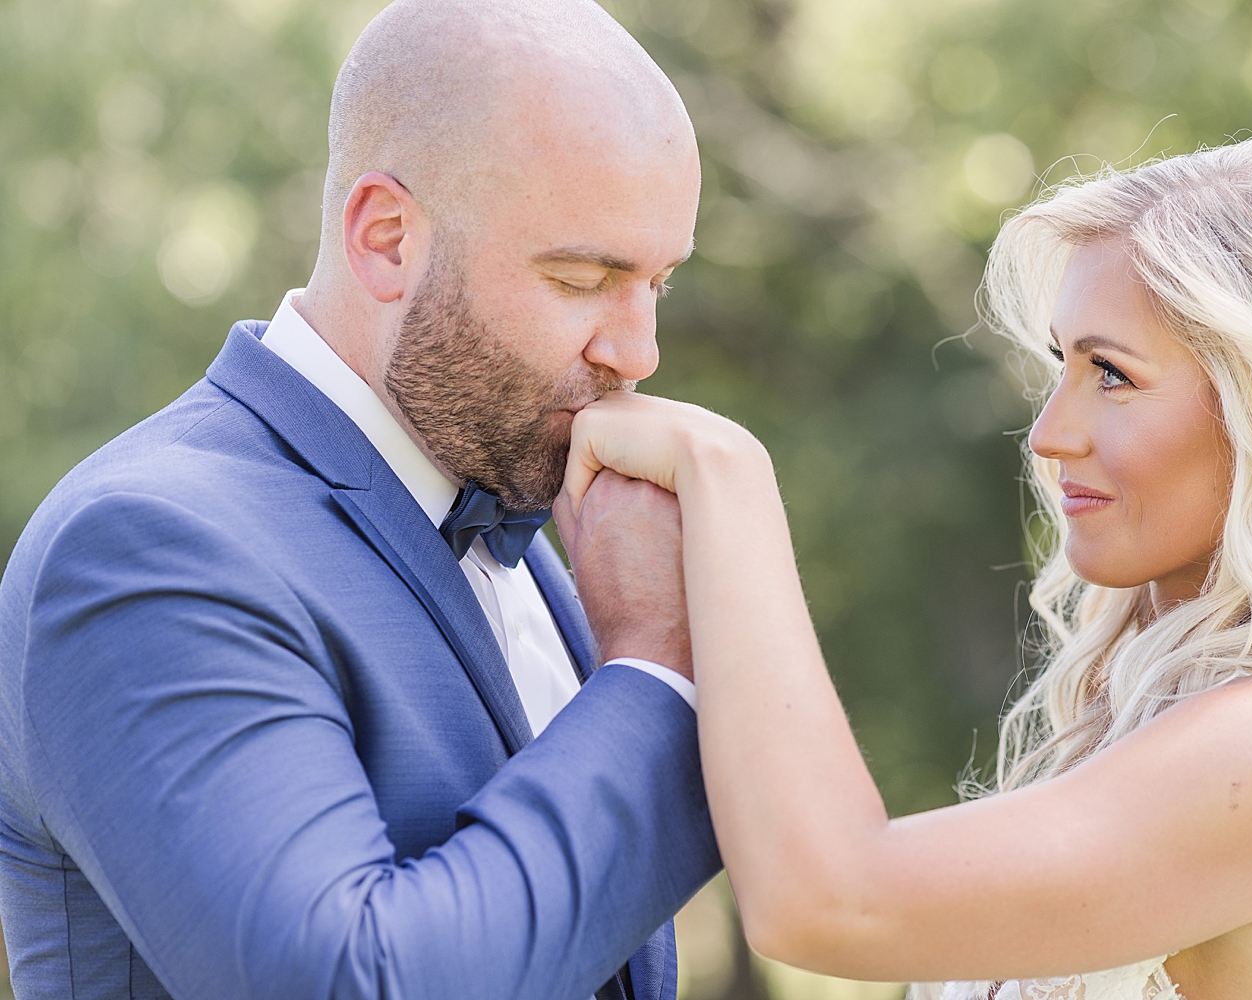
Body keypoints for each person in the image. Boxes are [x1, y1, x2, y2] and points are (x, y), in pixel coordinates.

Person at [557, 130, 1252, 999]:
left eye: (1113, 374)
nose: (1049, 435)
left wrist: (728, 484)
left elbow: (830, 899)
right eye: (1061, 366)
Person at [0, 1, 717, 998]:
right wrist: (654, 673)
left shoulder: (519, 502)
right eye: (584, 276)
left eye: (657, 284)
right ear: (386, 238)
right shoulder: (144, 545)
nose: (636, 352)